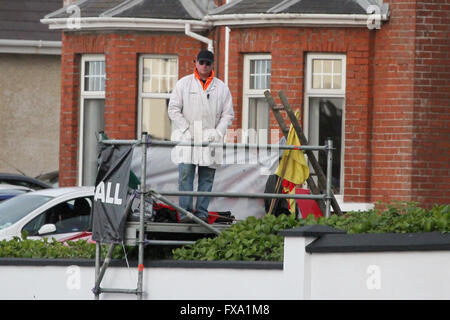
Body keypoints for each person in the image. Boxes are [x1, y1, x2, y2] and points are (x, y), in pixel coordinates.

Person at [168, 49, 234, 223]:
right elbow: (173, 109)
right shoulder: (184, 84)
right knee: (185, 176)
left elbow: (228, 114)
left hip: (211, 139)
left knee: (206, 178)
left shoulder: (221, 87)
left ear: (213, 65)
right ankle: (185, 214)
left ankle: (202, 213)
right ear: (195, 63)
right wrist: (186, 130)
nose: (204, 66)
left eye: (208, 63)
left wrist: (218, 133)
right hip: (187, 139)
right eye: (201, 62)